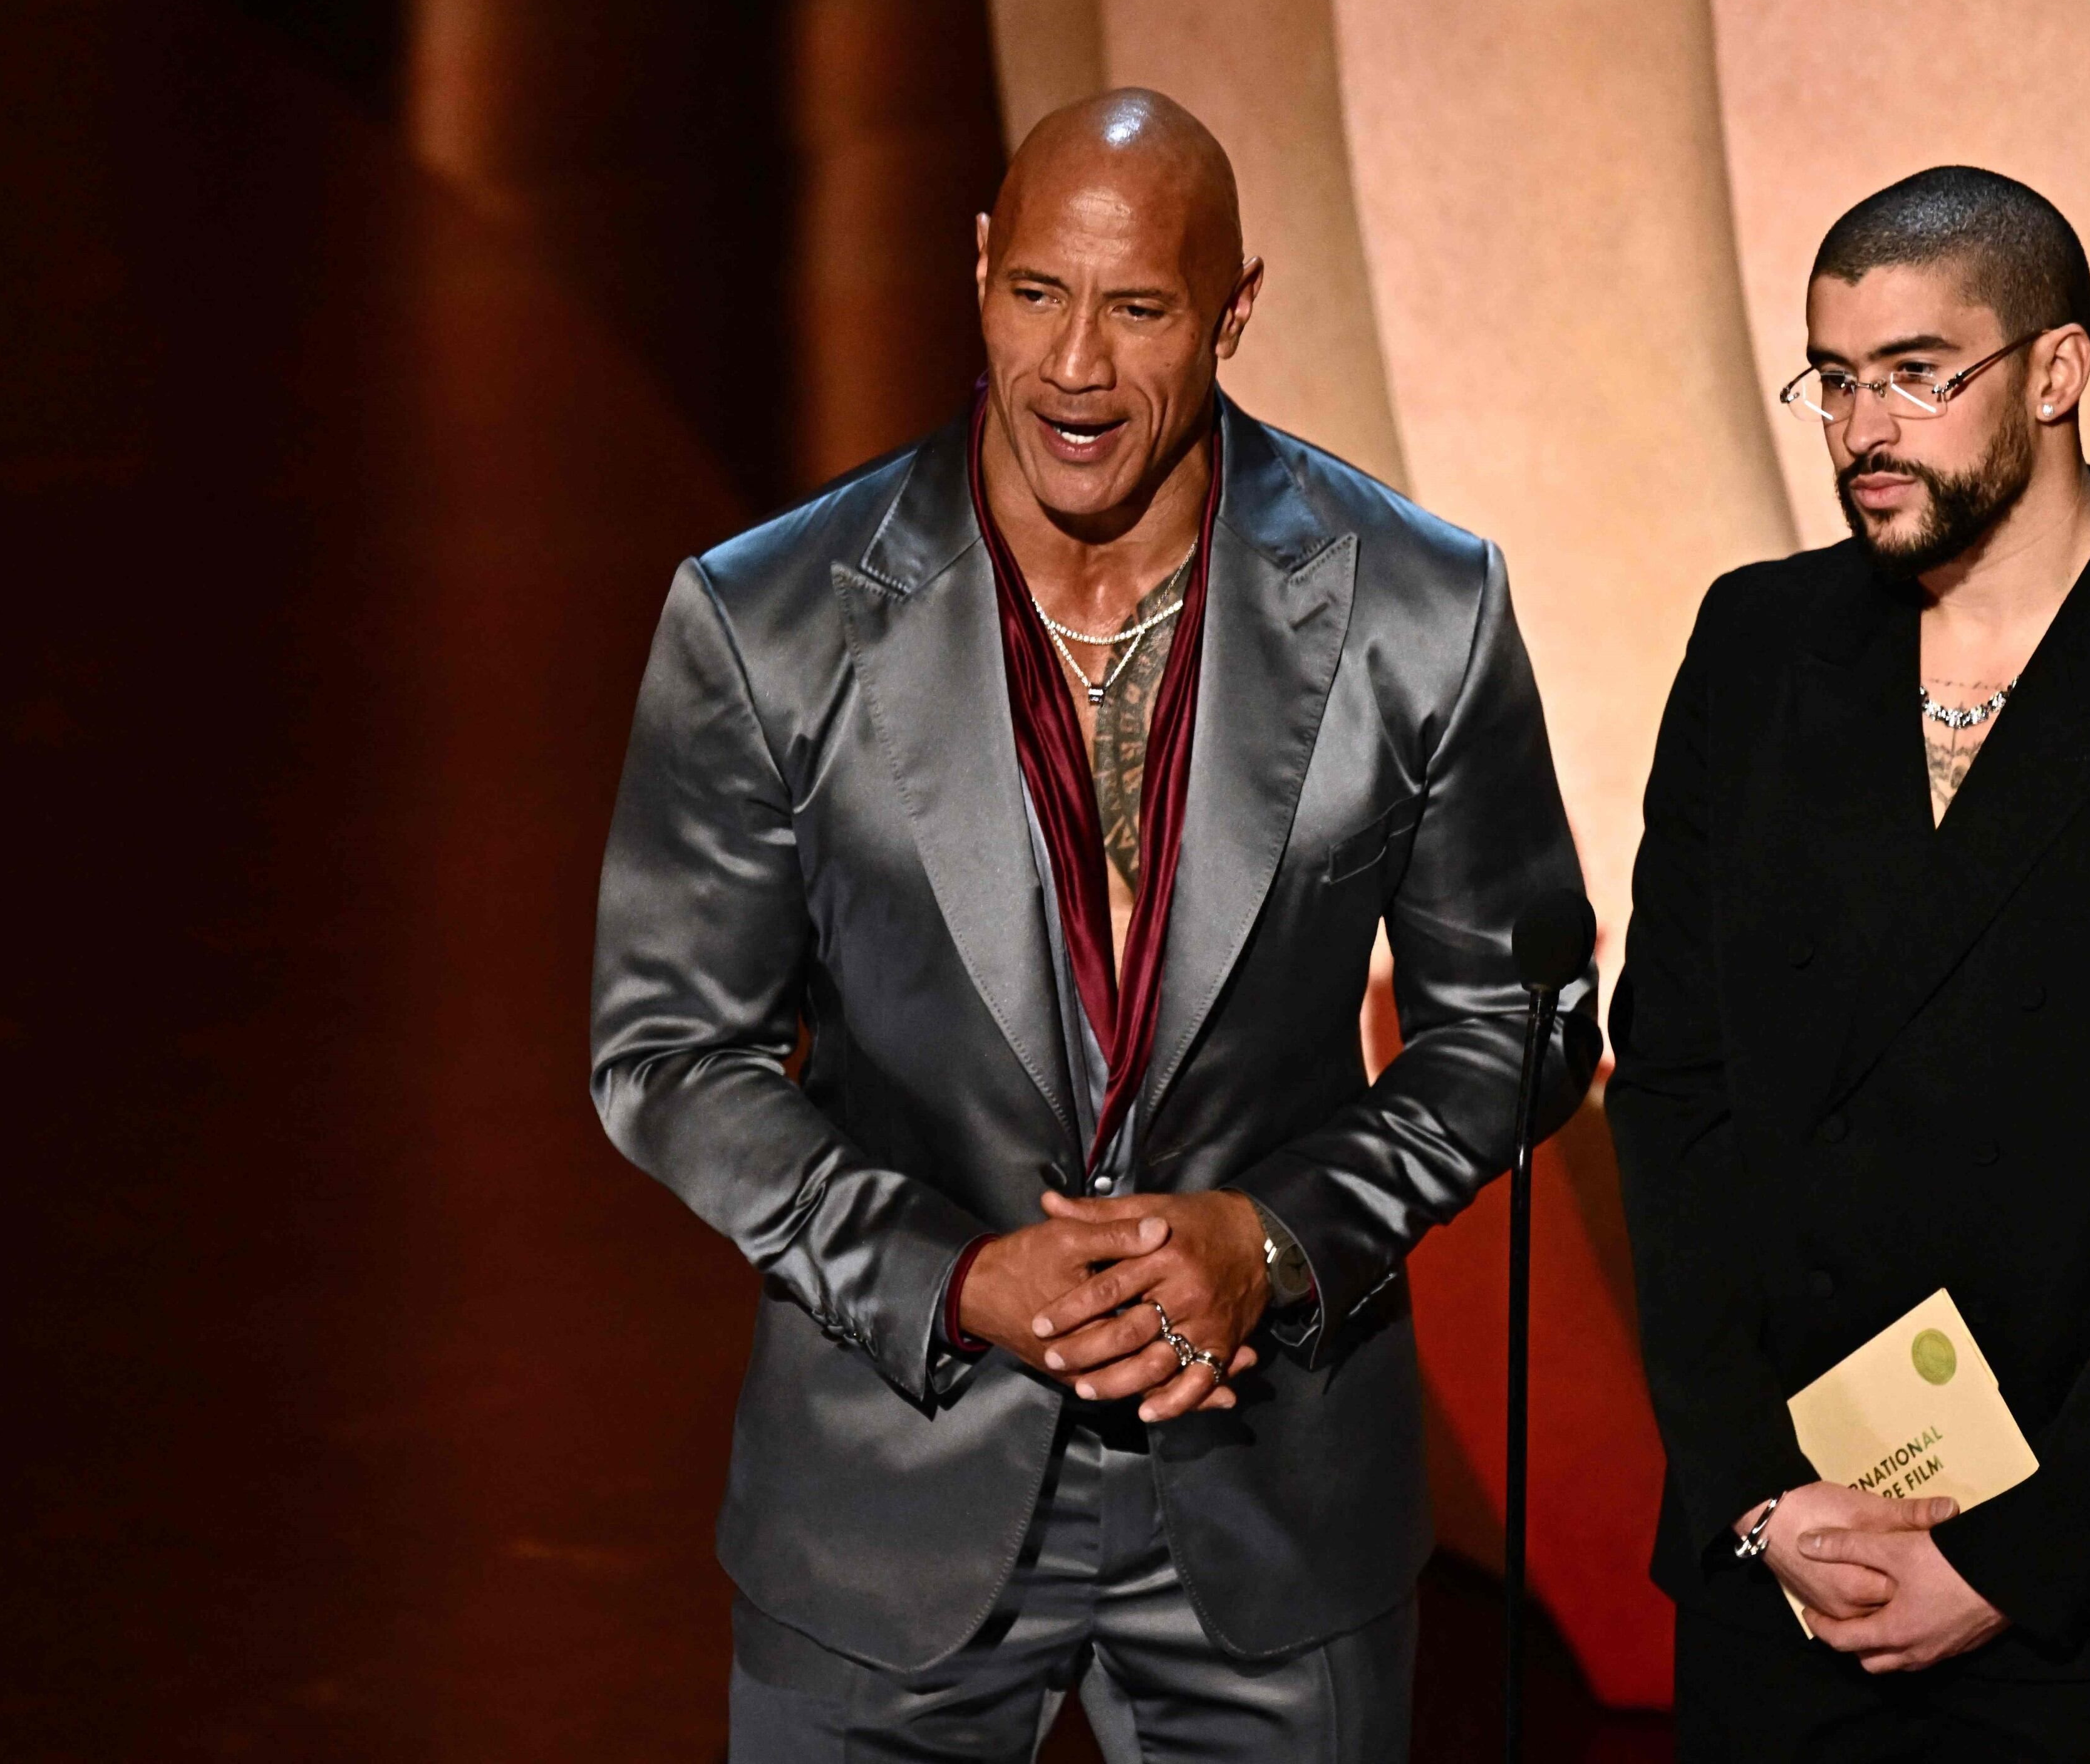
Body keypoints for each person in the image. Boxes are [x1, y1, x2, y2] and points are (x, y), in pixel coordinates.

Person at [591, 88, 1596, 1763]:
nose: (1070, 367)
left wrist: (1270, 1246)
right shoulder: (764, 619)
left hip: (1268, 1504)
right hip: (885, 1509)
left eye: (1136, 311)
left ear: (1235, 309)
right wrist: (953, 1276)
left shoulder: (1419, 609)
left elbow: (1522, 1024)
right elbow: (668, 1052)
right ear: (977, 264)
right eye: (1035, 292)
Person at [1608, 166, 2090, 1761]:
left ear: (2056, 371)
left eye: (1913, 374)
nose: (1860, 432)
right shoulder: (1756, 651)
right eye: (1832, 381)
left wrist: (2010, 1558)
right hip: (1790, 1574)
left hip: (2089, 1606)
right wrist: (1756, 1493)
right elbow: (1672, 1093)